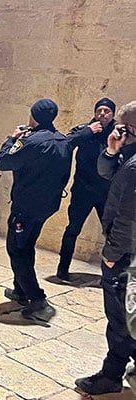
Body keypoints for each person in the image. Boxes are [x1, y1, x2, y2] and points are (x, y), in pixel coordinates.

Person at [75, 101, 136, 396]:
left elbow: (127, 217)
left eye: (120, 127)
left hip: (126, 257)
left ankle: (111, 374)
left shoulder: (134, 167)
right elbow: (104, 171)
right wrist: (112, 150)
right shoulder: (128, 156)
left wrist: (112, 255)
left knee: (120, 317)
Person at [0, 98, 72, 322]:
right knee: (26, 245)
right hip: (47, 206)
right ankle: (20, 291)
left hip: (25, 207)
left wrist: (12, 138)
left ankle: (37, 299)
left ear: (34, 116)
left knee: (17, 251)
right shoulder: (63, 141)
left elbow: (3, 162)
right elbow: (65, 175)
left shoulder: (32, 142)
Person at [56, 98, 116, 281]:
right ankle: (62, 269)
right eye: (100, 110)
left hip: (107, 192)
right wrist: (87, 132)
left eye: (107, 111)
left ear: (113, 114)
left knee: (112, 233)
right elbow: (65, 144)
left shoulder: (118, 132)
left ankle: (111, 273)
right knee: (73, 229)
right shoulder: (85, 129)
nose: (102, 114)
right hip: (83, 189)